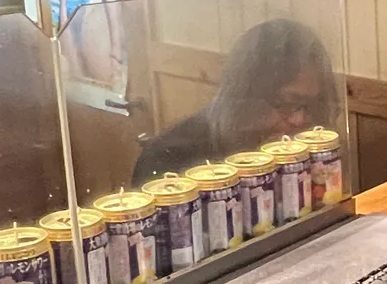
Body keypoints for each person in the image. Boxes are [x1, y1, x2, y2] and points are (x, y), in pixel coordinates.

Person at [133, 18, 340, 181]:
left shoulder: (300, 153)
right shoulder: (169, 159)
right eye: (286, 104)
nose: (300, 120)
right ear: (246, 95)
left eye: (310, 105)